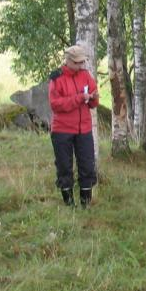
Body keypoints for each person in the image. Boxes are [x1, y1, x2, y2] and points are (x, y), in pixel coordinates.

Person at [48, 45, 99, 207]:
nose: (80, 66)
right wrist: (78, 98)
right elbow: (56, 104)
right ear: (68, 60)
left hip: (83, 129)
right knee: (64, 167)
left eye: (82, 62)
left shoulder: (85, 75)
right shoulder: (56, 78)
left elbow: (93, 102)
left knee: (87, 166)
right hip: (62, 130)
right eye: (77, 63)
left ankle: (86, 205)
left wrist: (93, 97)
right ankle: (69, 205)